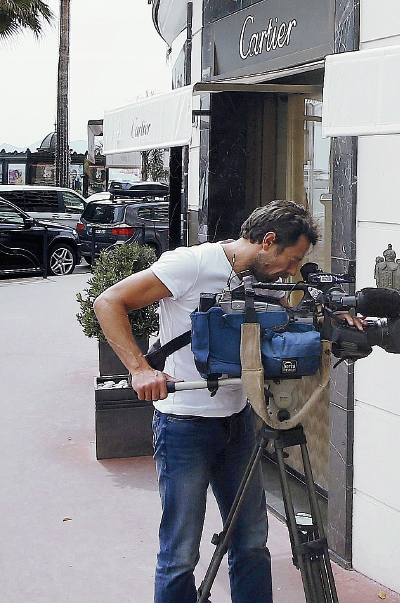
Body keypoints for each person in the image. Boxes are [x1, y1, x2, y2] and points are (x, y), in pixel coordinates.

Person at [94, 200, 320, 603]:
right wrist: (139, 369)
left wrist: (338, 321)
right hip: (184, 425)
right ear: (268, 242)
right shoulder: (192, 264)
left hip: (239, 421)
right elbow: (109, 301)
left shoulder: (265, 278)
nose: (292, 271)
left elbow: (292, 325)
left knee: (251, 539)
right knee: (181, 552)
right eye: (292, 259)